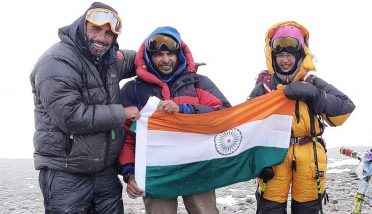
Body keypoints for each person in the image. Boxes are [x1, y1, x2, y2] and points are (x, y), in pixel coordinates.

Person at [29, 2, 140, 213]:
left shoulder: (109, 58)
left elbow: (141, 58)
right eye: (96, 29)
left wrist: (181, 62)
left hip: (104, 171)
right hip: (66, 172)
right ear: (82, 26)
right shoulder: (57, 61)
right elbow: (70, 116)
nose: (102, 38)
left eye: (109, 33)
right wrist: (121, 113)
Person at [118, 26, 231, 214]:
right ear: (148, 57)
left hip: (197, 169)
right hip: (156, 174)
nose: (165, 60)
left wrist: (184, 110)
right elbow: (125, 137)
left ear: (179, 55)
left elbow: (224, 114)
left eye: (170, 53)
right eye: (158, 54)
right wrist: (129, 173)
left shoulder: (198, 83)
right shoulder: (132, 90)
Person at [248, 21, 355, 213]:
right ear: (272, 57)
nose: (285, 60)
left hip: (309, 155)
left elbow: (345, 108)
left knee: (308, 209)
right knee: (269, 209)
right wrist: (258, 161)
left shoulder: (312, 83)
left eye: (290, 55)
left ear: (300, 56)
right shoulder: (264, 87)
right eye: (280, 55)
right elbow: (246, 124)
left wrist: (315, 95)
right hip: (273, 157)